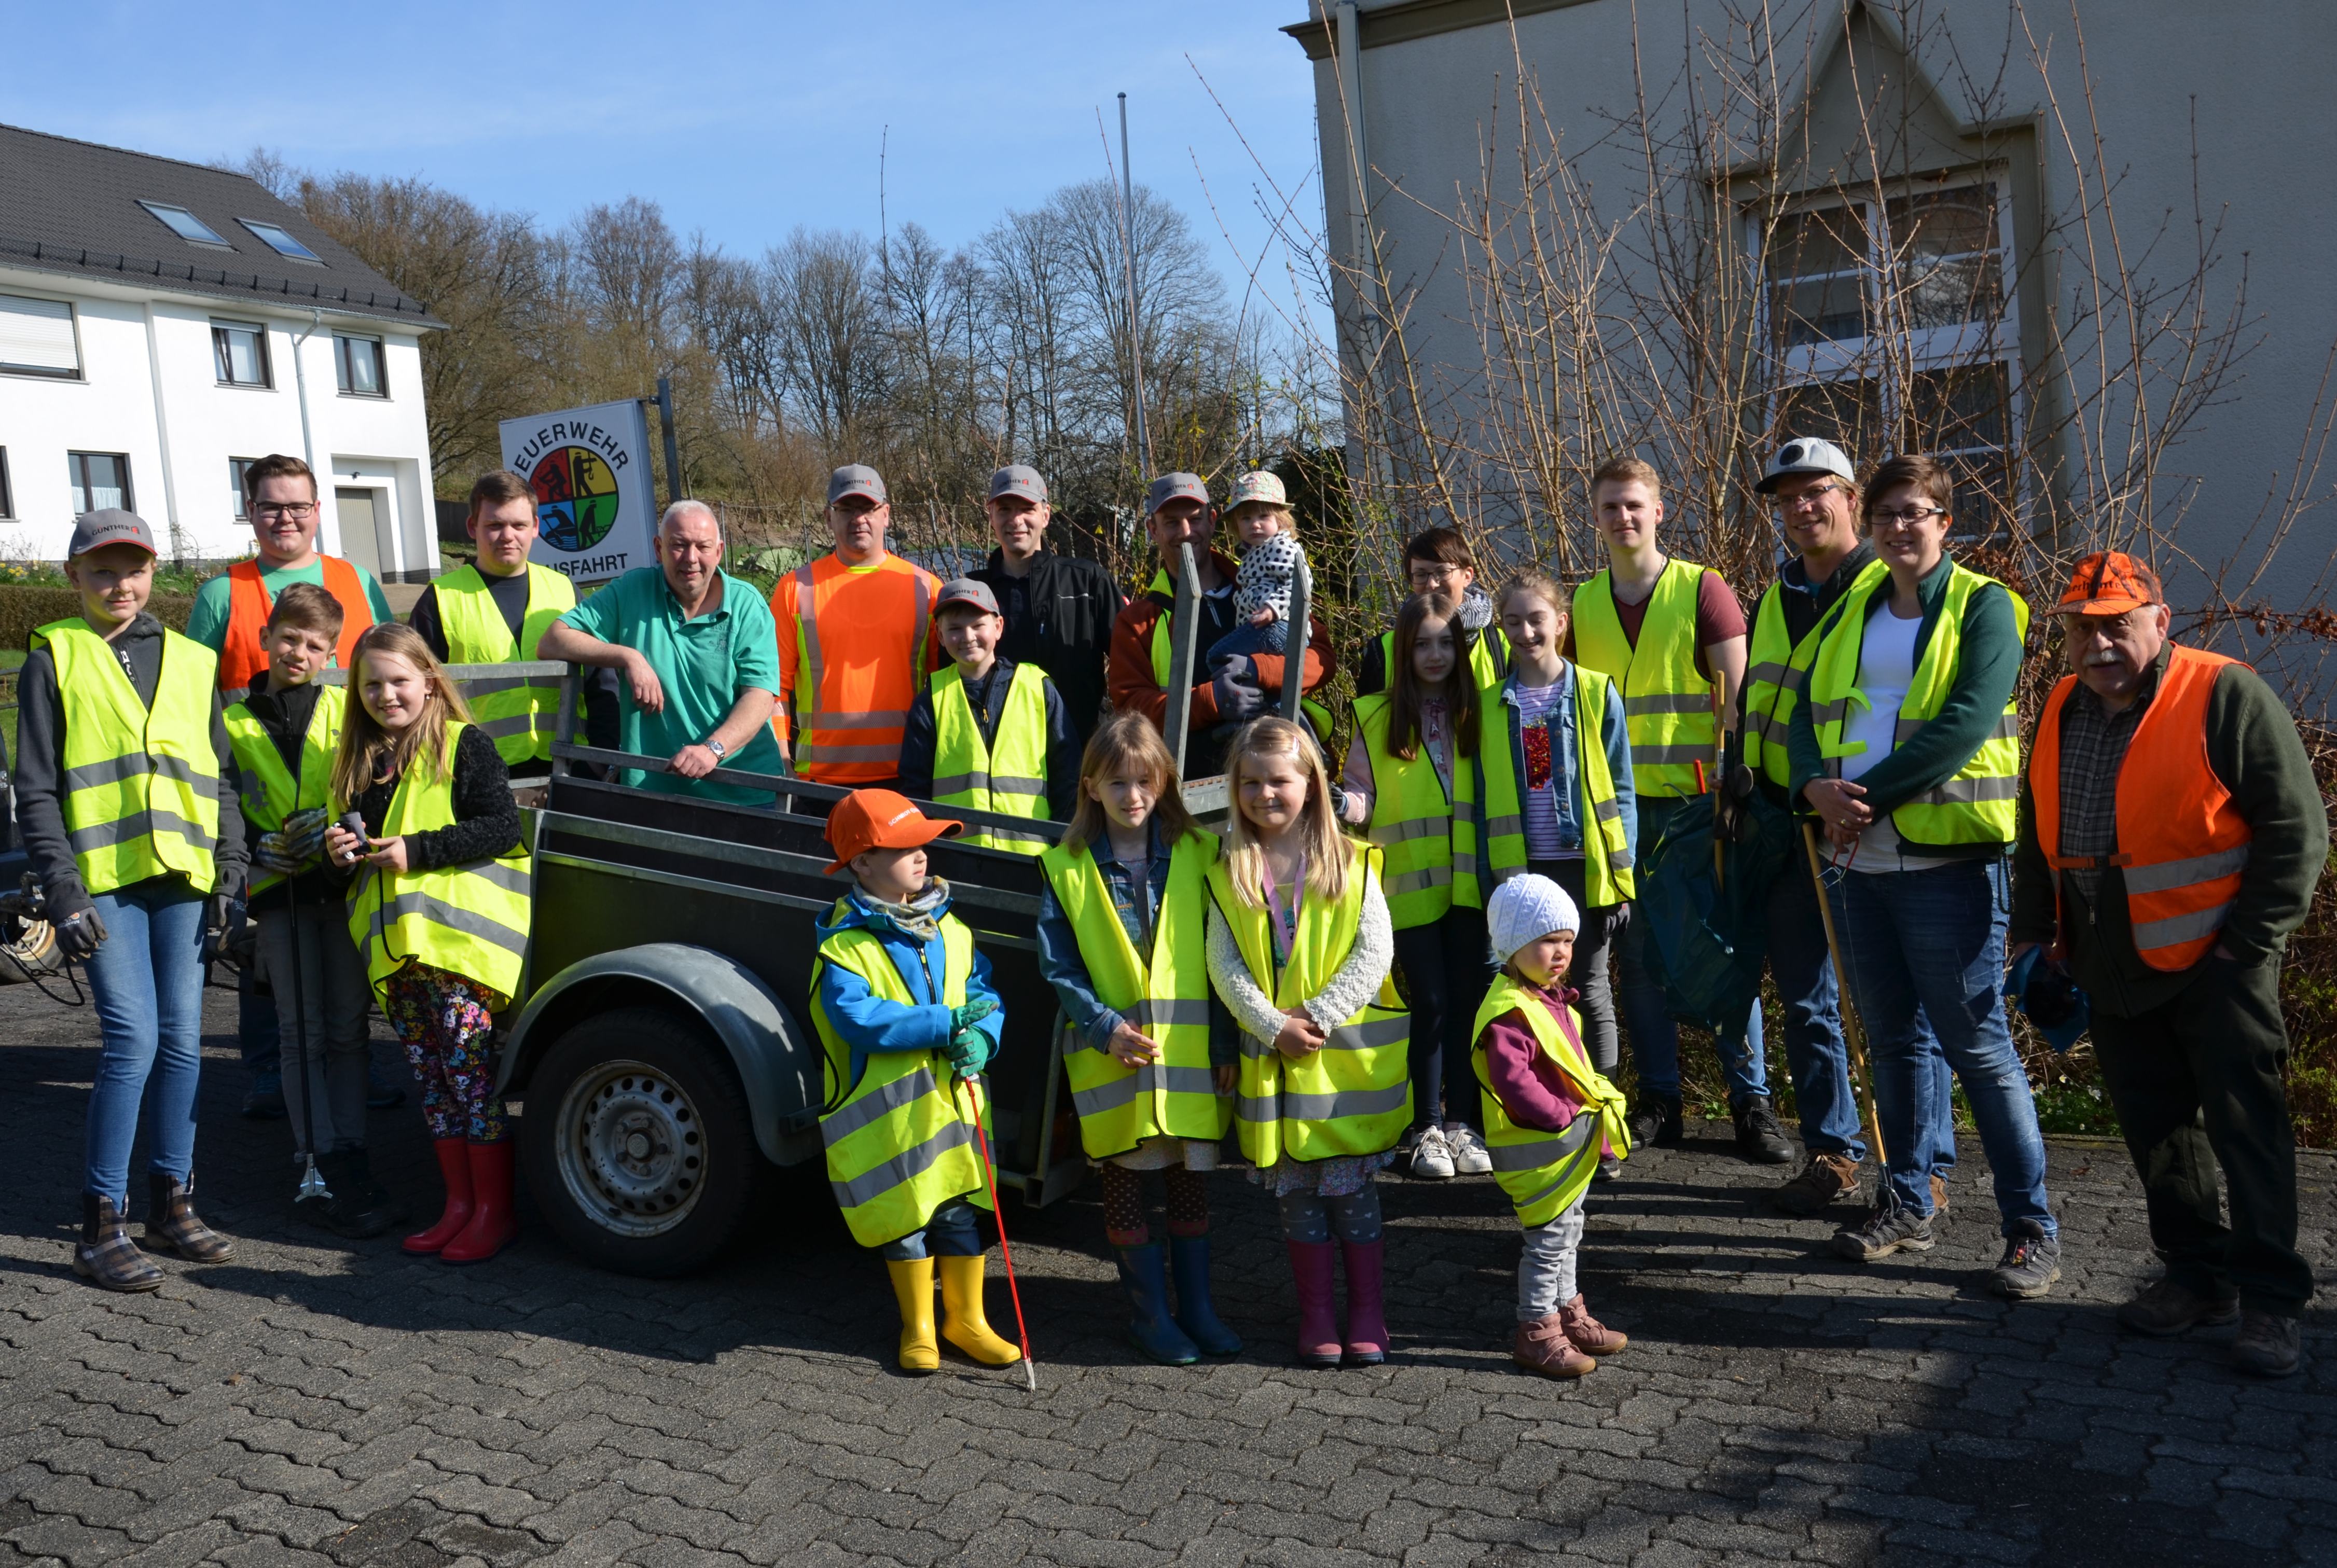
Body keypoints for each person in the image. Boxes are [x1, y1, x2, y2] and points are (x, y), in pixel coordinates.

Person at [2013, 552, 2327, 1376]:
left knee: (2245, 1129)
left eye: (2117, 622)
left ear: (2160, 619)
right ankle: (2196, 1275)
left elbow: (2296, 830)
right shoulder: (2058, 705)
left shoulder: (2224, 692)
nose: (2099, 642)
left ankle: (2270, 1302)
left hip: (2218, 961)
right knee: (2157, 1133)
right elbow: (2033, 833)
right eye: (2083, 626)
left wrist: (2242, 948)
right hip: (2107, 958)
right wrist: (2031, 933)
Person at [1790, 454, 2060, 1298]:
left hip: (1948, 869)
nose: (1901, 526)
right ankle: (1906, 1203)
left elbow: (1967, 720)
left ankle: (2033, 1230)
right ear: (1870, 524)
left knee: (1980, 1050)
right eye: (1888, 513)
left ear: (1946, 521)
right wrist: (1811, 787)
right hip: (1859, 867)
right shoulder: (1851, 612)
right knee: (1896, 1042)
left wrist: (1861, 798)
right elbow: (1802, 712)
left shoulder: (1987, 607)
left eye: (1917, 512)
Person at [18, 509, 244, 1291]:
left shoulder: (190, 657)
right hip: (103, 881)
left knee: (184, 1040)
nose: (122, 584)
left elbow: (219, 777)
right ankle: (98, 1223)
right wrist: (62, 887)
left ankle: (171, 1201)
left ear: (155, 574)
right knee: (133, 1041)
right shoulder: (56, 654)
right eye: (104, 569)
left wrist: (232, 868)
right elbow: (37, 788)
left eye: (135, 568)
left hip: (183, 876)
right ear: (73, 575)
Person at [1743, 438, 1945, 1217]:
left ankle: (1922, 1164)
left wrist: (1854, 799)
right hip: (1786, 819)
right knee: (1806, 1000)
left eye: (1815, 490)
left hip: (1870, 823)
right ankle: (1835, 1151)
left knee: (1899, 1011)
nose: (1800, 507)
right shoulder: (1773, 596)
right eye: (1786, 497)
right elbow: (1763, 704)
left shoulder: (1885, 585)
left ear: (1851, 497)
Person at [1571, 456, 1787, 1163]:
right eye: (1609, 507)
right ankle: (1660, 1099)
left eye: (1634, 504)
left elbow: (1740, 706)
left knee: (1722, 955)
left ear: (1659, 510)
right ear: (1595, 516)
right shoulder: (1582, 604)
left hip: (1700, 808)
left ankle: (1750, 1101)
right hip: (1620, 815)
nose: (1622, 517)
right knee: (1640, 961)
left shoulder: (1703, 590)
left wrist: (1734, 795)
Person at [186, 452, 393, 1119]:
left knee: (347, 966)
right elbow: (192, 703)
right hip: (258, 808)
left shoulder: (355, 580)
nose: (285, 517)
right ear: (251, 512)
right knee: (267, 966)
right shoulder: (225, 592)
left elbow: (397, 667)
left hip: (340, 815)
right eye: (271, 505)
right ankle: (269, 1072)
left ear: (317, 510)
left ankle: (348, 1077)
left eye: (297, 505)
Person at [1036, 715, 1242, 1365]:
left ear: (1163, 784)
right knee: (1124, 1181)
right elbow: (1059, 966)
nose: (1132, 795)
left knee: (1188, 1182)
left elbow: (1223, 957)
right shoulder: (1064, 867)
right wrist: (1106, 1029)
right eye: (1117, 782)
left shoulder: (1197, 852)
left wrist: (1225, 1046)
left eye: (1144, 781)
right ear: (1090, 786)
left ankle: (1199, 1310)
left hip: (1187, 1060)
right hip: (1112, 1060)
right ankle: (1150, 1317)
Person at [325, 625, 531, 1266]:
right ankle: (459, 1206)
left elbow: (501, 827)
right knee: (435, 1083)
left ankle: (493, 1213)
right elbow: (357, 857)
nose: (387, 694)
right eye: (372, 684)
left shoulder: (463, 743)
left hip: (458, 954)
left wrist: (416, 850)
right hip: (401, 957)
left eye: (399, 680)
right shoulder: (362, 763)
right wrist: (337, 854)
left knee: (472, 1084)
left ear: (429, 680)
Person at [1205, 718, 1406, 1368]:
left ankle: (1367, 1310)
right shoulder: (1228, 869)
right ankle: (1317, 1312)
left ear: (1312, 785)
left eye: (1280, 780)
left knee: (1350, 1192)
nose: (1266, 793)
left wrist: (1315, 1016)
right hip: (1277, 1066)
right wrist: (1270, 1026)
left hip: (1341, 1068)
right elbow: (1223, 962)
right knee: (1296, 1197)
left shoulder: (1351, 859)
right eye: (1252, 782)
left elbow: (1374, 949)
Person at [809, 789, 1021, 1375]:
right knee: (907, 1222)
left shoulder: (951, 926)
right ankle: (918, 1325)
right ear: (861, 862)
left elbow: (983, 994)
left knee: (957, 1212)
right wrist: (944, 1023)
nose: (922, 853)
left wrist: (983, 1036)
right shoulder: (845, 942)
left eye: (924, 840)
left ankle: (967, 1320)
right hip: (893, 1124)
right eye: (903, 846)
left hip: (951, 1111)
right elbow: (856, 1019)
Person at [223, 584, 403, 1239]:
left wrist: (332, 827)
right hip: (279, 895)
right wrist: (255, 847)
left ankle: (351, 1147)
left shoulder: (345, 710)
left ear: (333, 653)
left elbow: (373, 785)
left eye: (315, 644)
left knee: (349, 1027)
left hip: (343, 887)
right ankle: (315, 1157)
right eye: (289, 638)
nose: (299, 652)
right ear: (266, 637)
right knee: (300, 1031)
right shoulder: (234, 718)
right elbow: (222, 800)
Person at [1479, 572, 1636, 1177]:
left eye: (1535, 619)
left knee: (1589, 992)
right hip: (1525, 874)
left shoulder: (1595, 692)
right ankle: (1554, 1116)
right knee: (1528, 1001)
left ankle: (1601, 1121)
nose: (1525, 631)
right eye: (1512, 621)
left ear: (1560, 622)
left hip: (1585, 871)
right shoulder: (1494, 703)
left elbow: (1621, 790)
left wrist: (1621, 877)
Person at [1341, 592, 1499, 1181]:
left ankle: (1463, 1122)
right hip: (1405, 887)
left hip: (1468, 885)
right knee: (1428, 1000)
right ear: (1402, 652)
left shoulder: (1481, 710)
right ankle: (1423, 1125)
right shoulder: (1376, 714)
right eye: (1420, 644)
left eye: (1444, 642)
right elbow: (1363, 791)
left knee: (1468, 999)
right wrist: (1340, 803)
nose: (1433, 655)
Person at [1474, 876, 1631, 1379]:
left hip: (1566, 1151)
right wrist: (1560, 1115)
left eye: (1566, 939)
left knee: (1567, 1234)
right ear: (1513, 944)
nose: (1560, 951)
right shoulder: (1509, 1010)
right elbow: (1512, 1079)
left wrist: (1595, 1133)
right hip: (1542, 1153)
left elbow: (1576, 1074)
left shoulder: (1547, 998)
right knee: (1547, 1244)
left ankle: (1566, 1311)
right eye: (1546, 941)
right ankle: (1536, 1330)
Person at [537, 501, 785, 807]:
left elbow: (760, 696)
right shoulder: (633, 590)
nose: (691, 559)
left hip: (743, 792)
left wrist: (713, 750)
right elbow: (552, 641)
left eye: (703, 547)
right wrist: (629, 657)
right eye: (679, 545)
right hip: (654, 791)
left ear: (719, 551)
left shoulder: (748, 605)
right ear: (659, 547)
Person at [1107, 474, 1336, 780]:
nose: (1186, 532)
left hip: (1277, 779)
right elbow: (1131, 709)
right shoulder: (1138, 620)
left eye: (1195, 519)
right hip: (1190, 791)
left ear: (1213, 521)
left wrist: (1260, 671)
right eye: (1172, 522)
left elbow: (1321, 658)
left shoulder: (1264, 587)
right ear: (1153, 529)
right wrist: (1210, 701)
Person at [771, 466, 943, 787]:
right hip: (819, 782)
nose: (858, 518)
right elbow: (774, 691)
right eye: (846, 509)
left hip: (908, 777)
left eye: (867, 508)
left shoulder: (927, 589)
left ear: (886, 514)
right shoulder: (795, 589)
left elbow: (944, 689)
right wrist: (785, 766)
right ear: (828, 517)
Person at [407, 470, 577, 776]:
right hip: (478, 771)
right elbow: (417, 692)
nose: (508, 535)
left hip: (566, 765)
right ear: (473, 527)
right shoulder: (440, 599)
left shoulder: (565, 590)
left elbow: (599, 684)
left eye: (519, 525)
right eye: (495, 525)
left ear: (536, 527)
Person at [895, 578, 1080, 852]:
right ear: (941, 636)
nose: (968, 636)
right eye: (955, 629)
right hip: (957, 860)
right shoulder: (930, 701)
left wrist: (1064, 844)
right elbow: (915, 789)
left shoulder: (1038, 688)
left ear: (998, 627)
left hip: (1036, 857)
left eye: (978, 625)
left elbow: (1069, 777)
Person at [970, 465, 1123, 747]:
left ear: (1046, 514)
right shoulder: (973, 593)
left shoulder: (1087, 582)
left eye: (1027, 509)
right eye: (1005, 509)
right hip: (997, 754)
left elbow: (1130, 664)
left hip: (1077, 746)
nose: (1016, 520)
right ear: (991, 515)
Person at [1352, 524, 1508, 696]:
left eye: (1442, 572)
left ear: (1467, 576)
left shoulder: (1503, 646)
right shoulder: (1382, 650)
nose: (1432, 584)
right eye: (1421, 574)